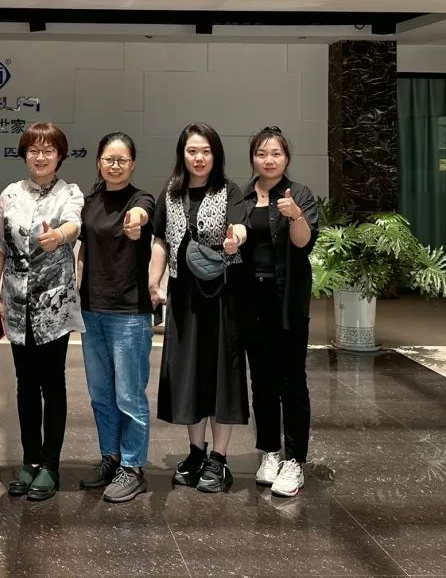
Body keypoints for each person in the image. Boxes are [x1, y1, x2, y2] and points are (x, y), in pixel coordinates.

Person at [148, 122, 248, 494]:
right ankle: (195, 452)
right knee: (189, 373)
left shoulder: (229, 190)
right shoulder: (171, 192)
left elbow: (240, 227)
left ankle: (218, 458)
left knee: (220, 373)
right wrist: (153, 282)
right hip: (183, 296)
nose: (199, 158)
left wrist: (235, 239)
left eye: (206, 151)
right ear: (183, 154)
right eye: (192, 151)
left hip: (221, 295)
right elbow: (160, 241)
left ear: (215, 154)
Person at [0, 123, 84, 502]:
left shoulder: (69, 192)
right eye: (33, 150)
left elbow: (74, 224)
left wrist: (59, 235)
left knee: (52, 382)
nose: (40, 157)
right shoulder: (10, 194)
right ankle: (29, 460)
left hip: (53, 302)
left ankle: (50, 464)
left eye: (48, 150)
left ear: (60, 155)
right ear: (24, 154)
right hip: (15, 300)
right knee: (24, 382)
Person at [75, 132, 156, 503]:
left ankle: (134, 467)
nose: (115, 165)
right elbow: (83, 251)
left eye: (122, 160)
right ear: (99, 162)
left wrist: (135, 222)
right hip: (91, 310)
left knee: (129, 395)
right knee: (101, 394)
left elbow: (141, 216)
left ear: (133, 163)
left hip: (128, 312)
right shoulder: (89, 202)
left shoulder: (141, 200)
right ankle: (111, 456)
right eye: (109, 159)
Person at [240, 126, 318, 498]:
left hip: (286, 299)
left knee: (292, 380)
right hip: (251, 299)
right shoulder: (241, 196)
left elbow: (304, 243)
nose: (268, 160)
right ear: (253, 158)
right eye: (261, 153)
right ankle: (270, 451)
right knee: (262, 379)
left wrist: (296, 216)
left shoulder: (298, 194)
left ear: (286, 158)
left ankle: (295, 460)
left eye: (275, 153)